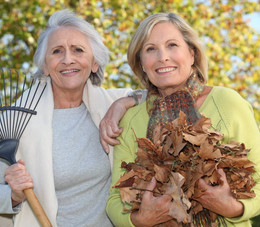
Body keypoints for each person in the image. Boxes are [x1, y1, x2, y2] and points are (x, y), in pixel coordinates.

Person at [0, 10, 145, 227]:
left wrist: (122, 104)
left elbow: (155, 95)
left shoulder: (113, 103)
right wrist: (14, 194)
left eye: (78, 50)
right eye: (57, 51)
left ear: (94, 63)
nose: (67, 59)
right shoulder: (16, 120)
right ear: (45, 66)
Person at [105, 12, 260, 227]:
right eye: (150, 49)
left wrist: (234, 208)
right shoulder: (131, 119)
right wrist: (140, 219)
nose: (162, 57)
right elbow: (114, 200)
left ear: (192, 54)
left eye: (172, 45)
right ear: (141, 63)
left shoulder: (227, 103)